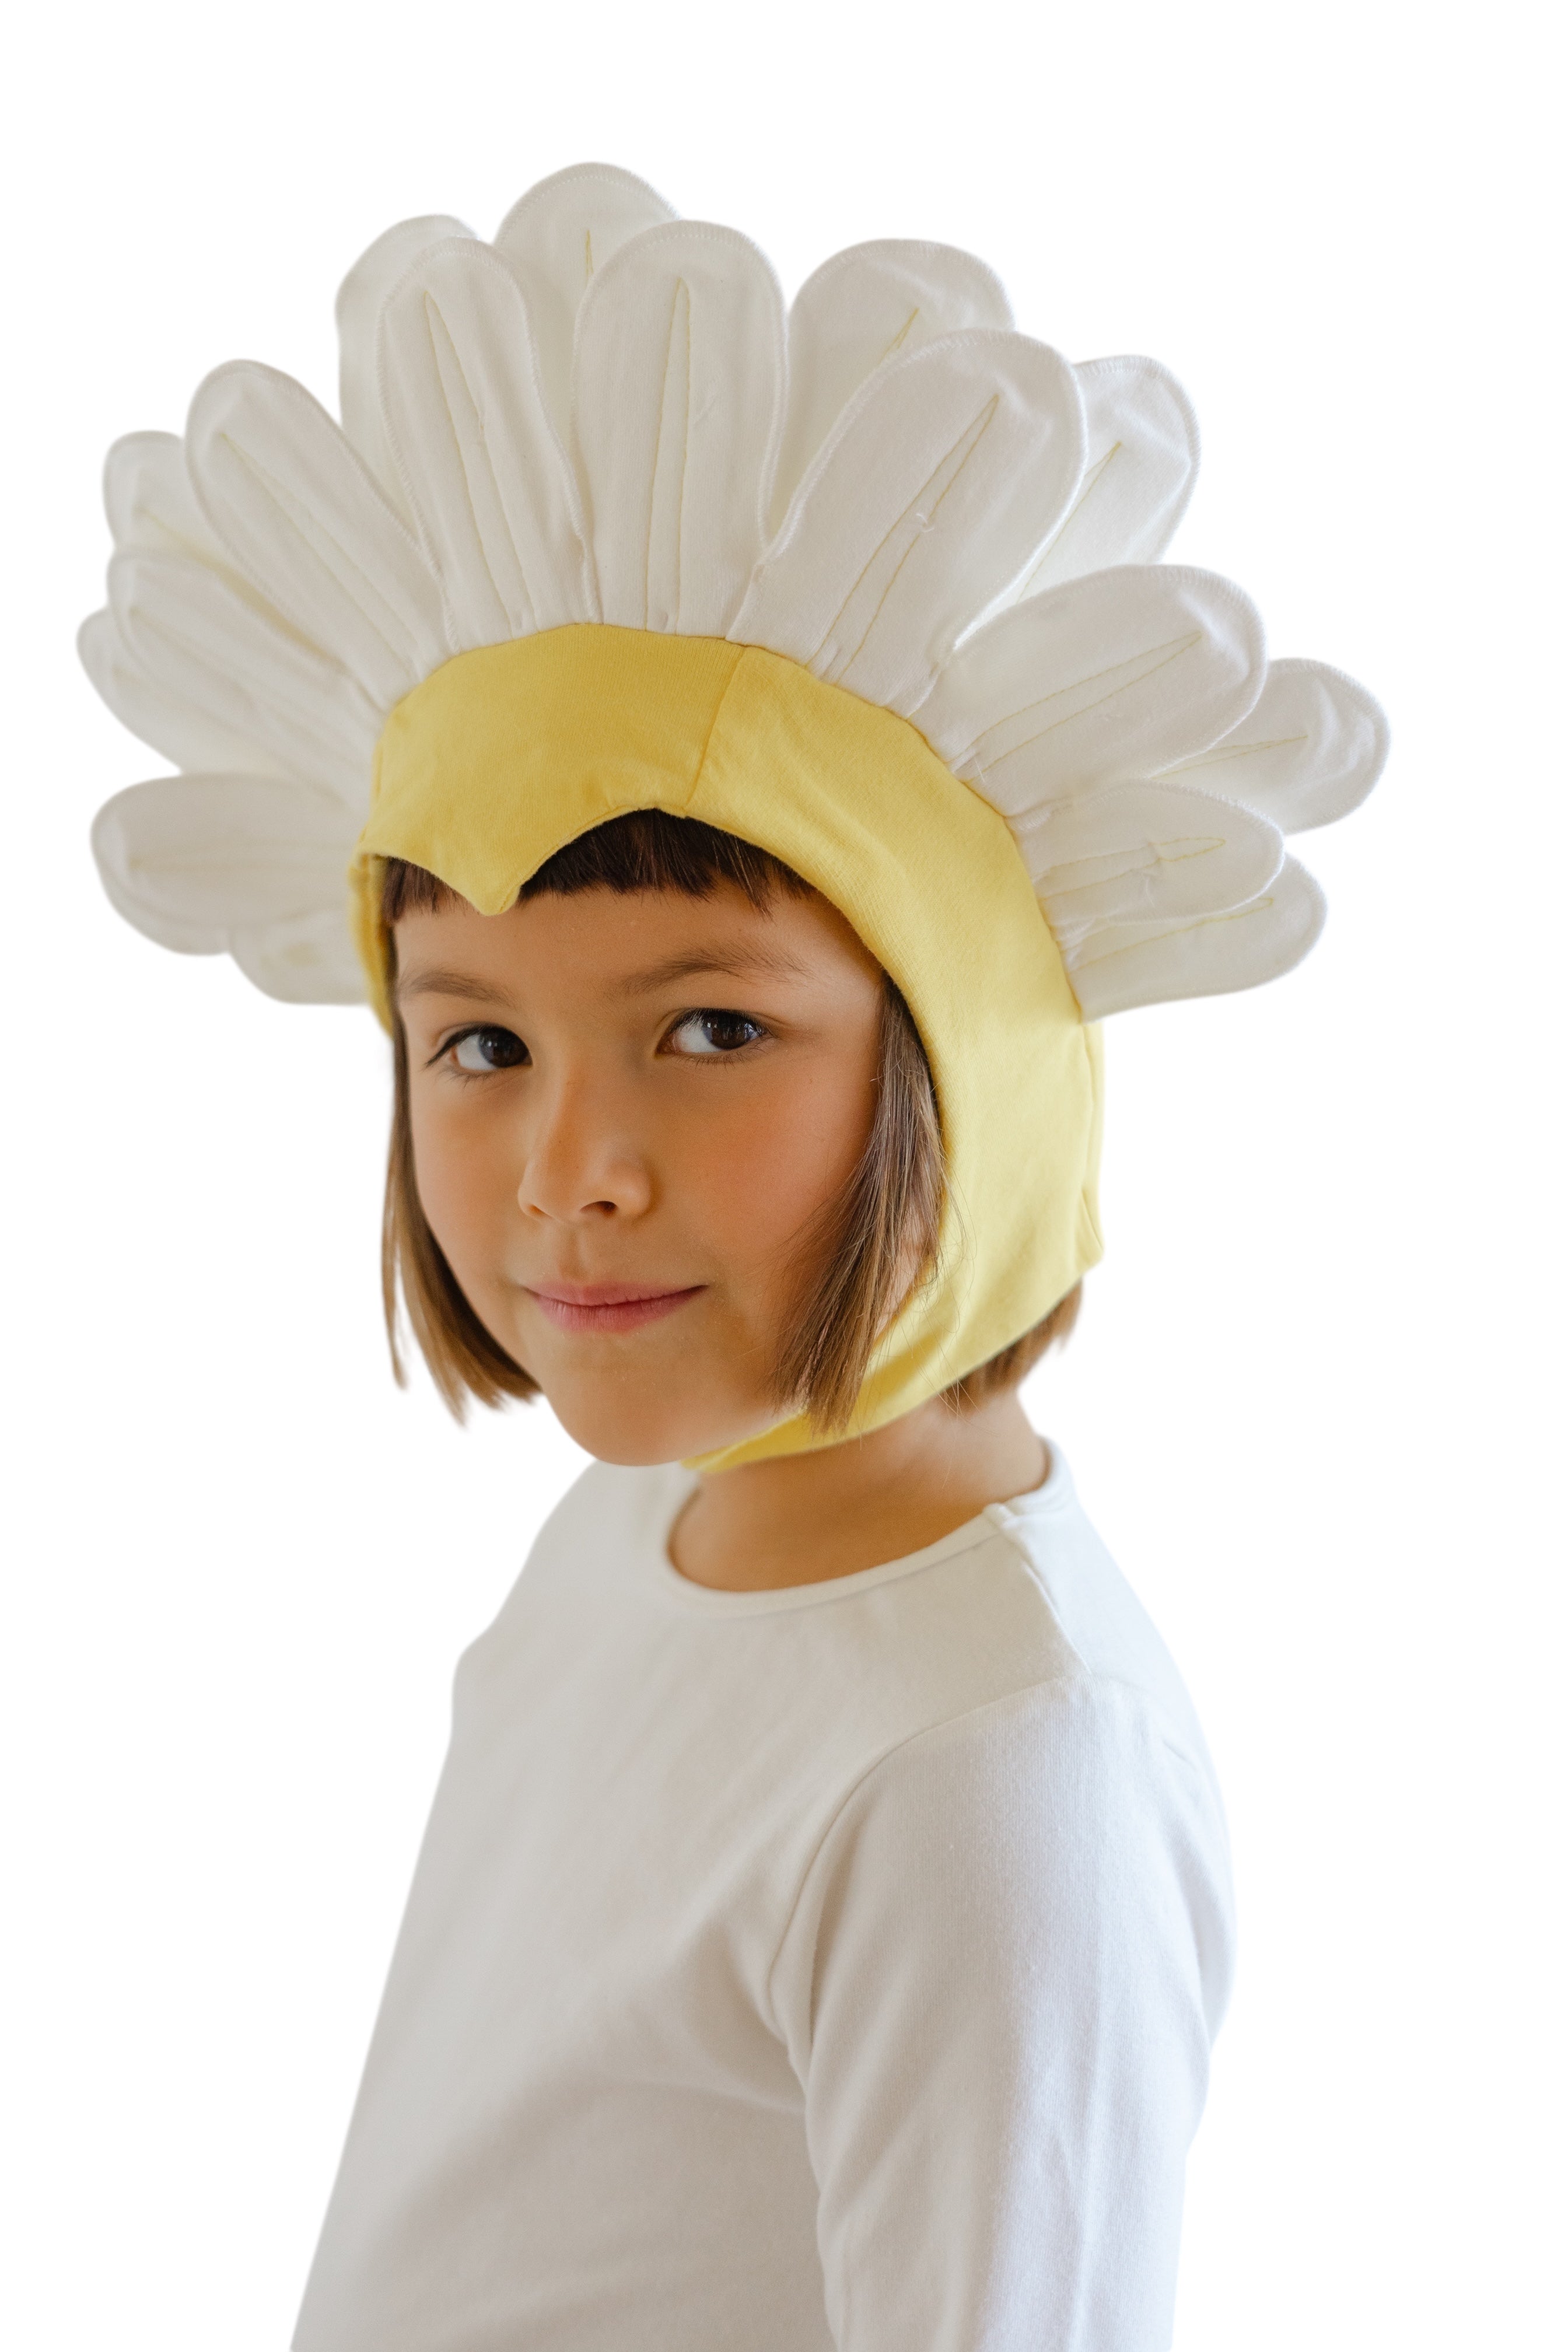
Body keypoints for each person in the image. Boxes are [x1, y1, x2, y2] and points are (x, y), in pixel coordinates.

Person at [80, 162, 1386, 2350]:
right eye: (478, 1041)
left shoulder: (993, 1773)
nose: (566, 1169)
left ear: (966, 1068)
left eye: (711, 1028)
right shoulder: (636, 1531)